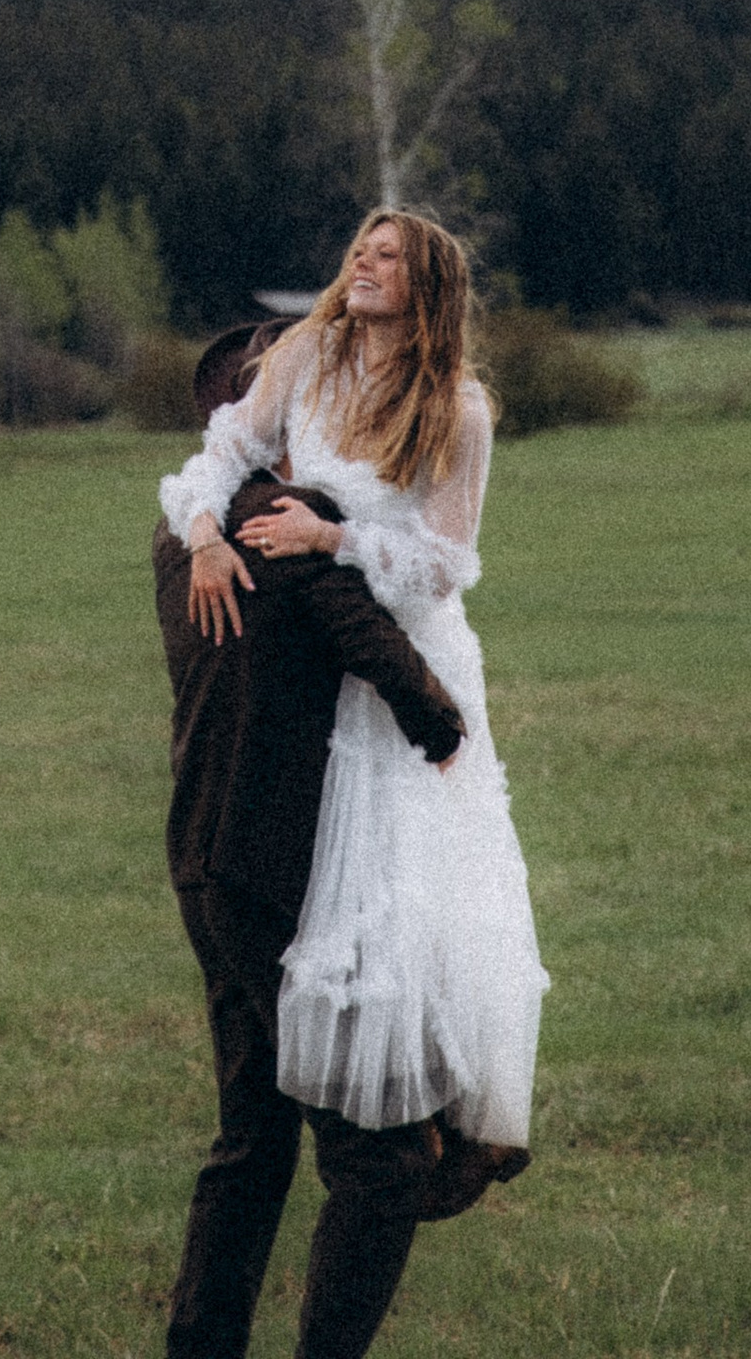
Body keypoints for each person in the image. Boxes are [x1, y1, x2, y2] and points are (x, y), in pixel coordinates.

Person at [150, 307, 524, 1359]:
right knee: (376, 1154)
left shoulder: (189, 528)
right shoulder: (273, 517)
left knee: (253, 1138)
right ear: (252, 412)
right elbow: (368, 628)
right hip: (274, 874)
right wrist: (442, 721)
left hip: (206, 862)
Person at [162, 211, 549, 1163]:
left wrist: (332, 540)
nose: (366, 267)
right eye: (360, 253)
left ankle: (439, 1124)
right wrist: (207, 536)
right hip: (328, 664)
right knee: (335, 881)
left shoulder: (459, 408)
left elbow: (446, 564)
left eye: (391, 258)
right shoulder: (307, 356)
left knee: (412, 886)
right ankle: (364, 1122)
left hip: (411, 655)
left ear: (429, 290)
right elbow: (221, 454)